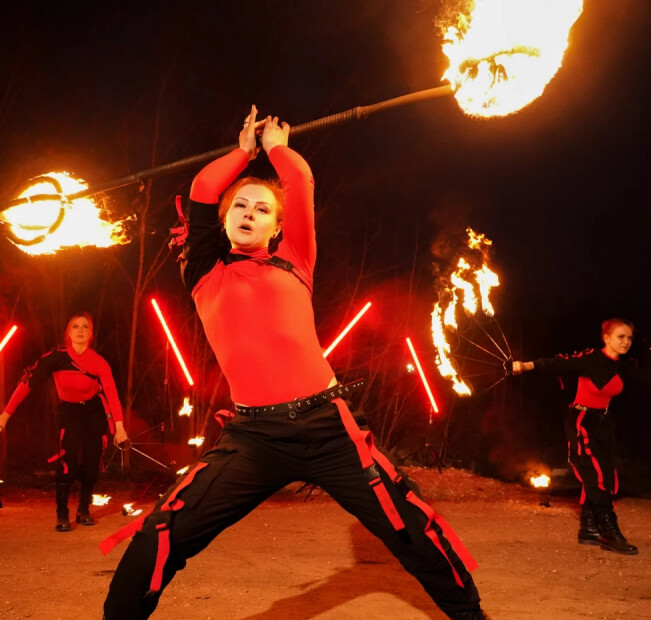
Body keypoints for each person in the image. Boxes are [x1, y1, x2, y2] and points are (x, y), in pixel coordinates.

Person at [100, 107, 485, 619]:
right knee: (165, 530)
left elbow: (298, 179)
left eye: (262, 209)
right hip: (254, 438)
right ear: (225, 217)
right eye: (240, 204)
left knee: (408, 528)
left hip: (329, 427)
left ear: (279, 227)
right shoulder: (204, 271)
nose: (249, 212)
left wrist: (277, 147)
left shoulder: (295, 260)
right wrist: (244, 151)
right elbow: (200, 188)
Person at [512, 318, 651, 555]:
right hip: (581, 421)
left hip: (603, 423)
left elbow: (639, 375)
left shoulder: (621, 365)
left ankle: (589, 528)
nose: (627, 342)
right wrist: (525, 366)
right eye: (621, 337)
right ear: (606, 338)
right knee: (594, 474)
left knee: (606, 476)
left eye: (629, 338)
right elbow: (557, 363)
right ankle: (610, 531)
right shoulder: (591, 358)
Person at [0, 312, 128, 532]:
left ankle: (84, 508)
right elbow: (28, 382)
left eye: (85, 327)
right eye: (75, 326)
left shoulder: (98, 362)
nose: (80, 330)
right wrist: (5, 415)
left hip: (94, 411)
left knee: (92, 460)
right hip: (69, 412)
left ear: (91, 333)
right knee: (68, 460)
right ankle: (62, 513)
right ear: (68, 332)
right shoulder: (56, 357)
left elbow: (112, 394)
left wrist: (120, 428)